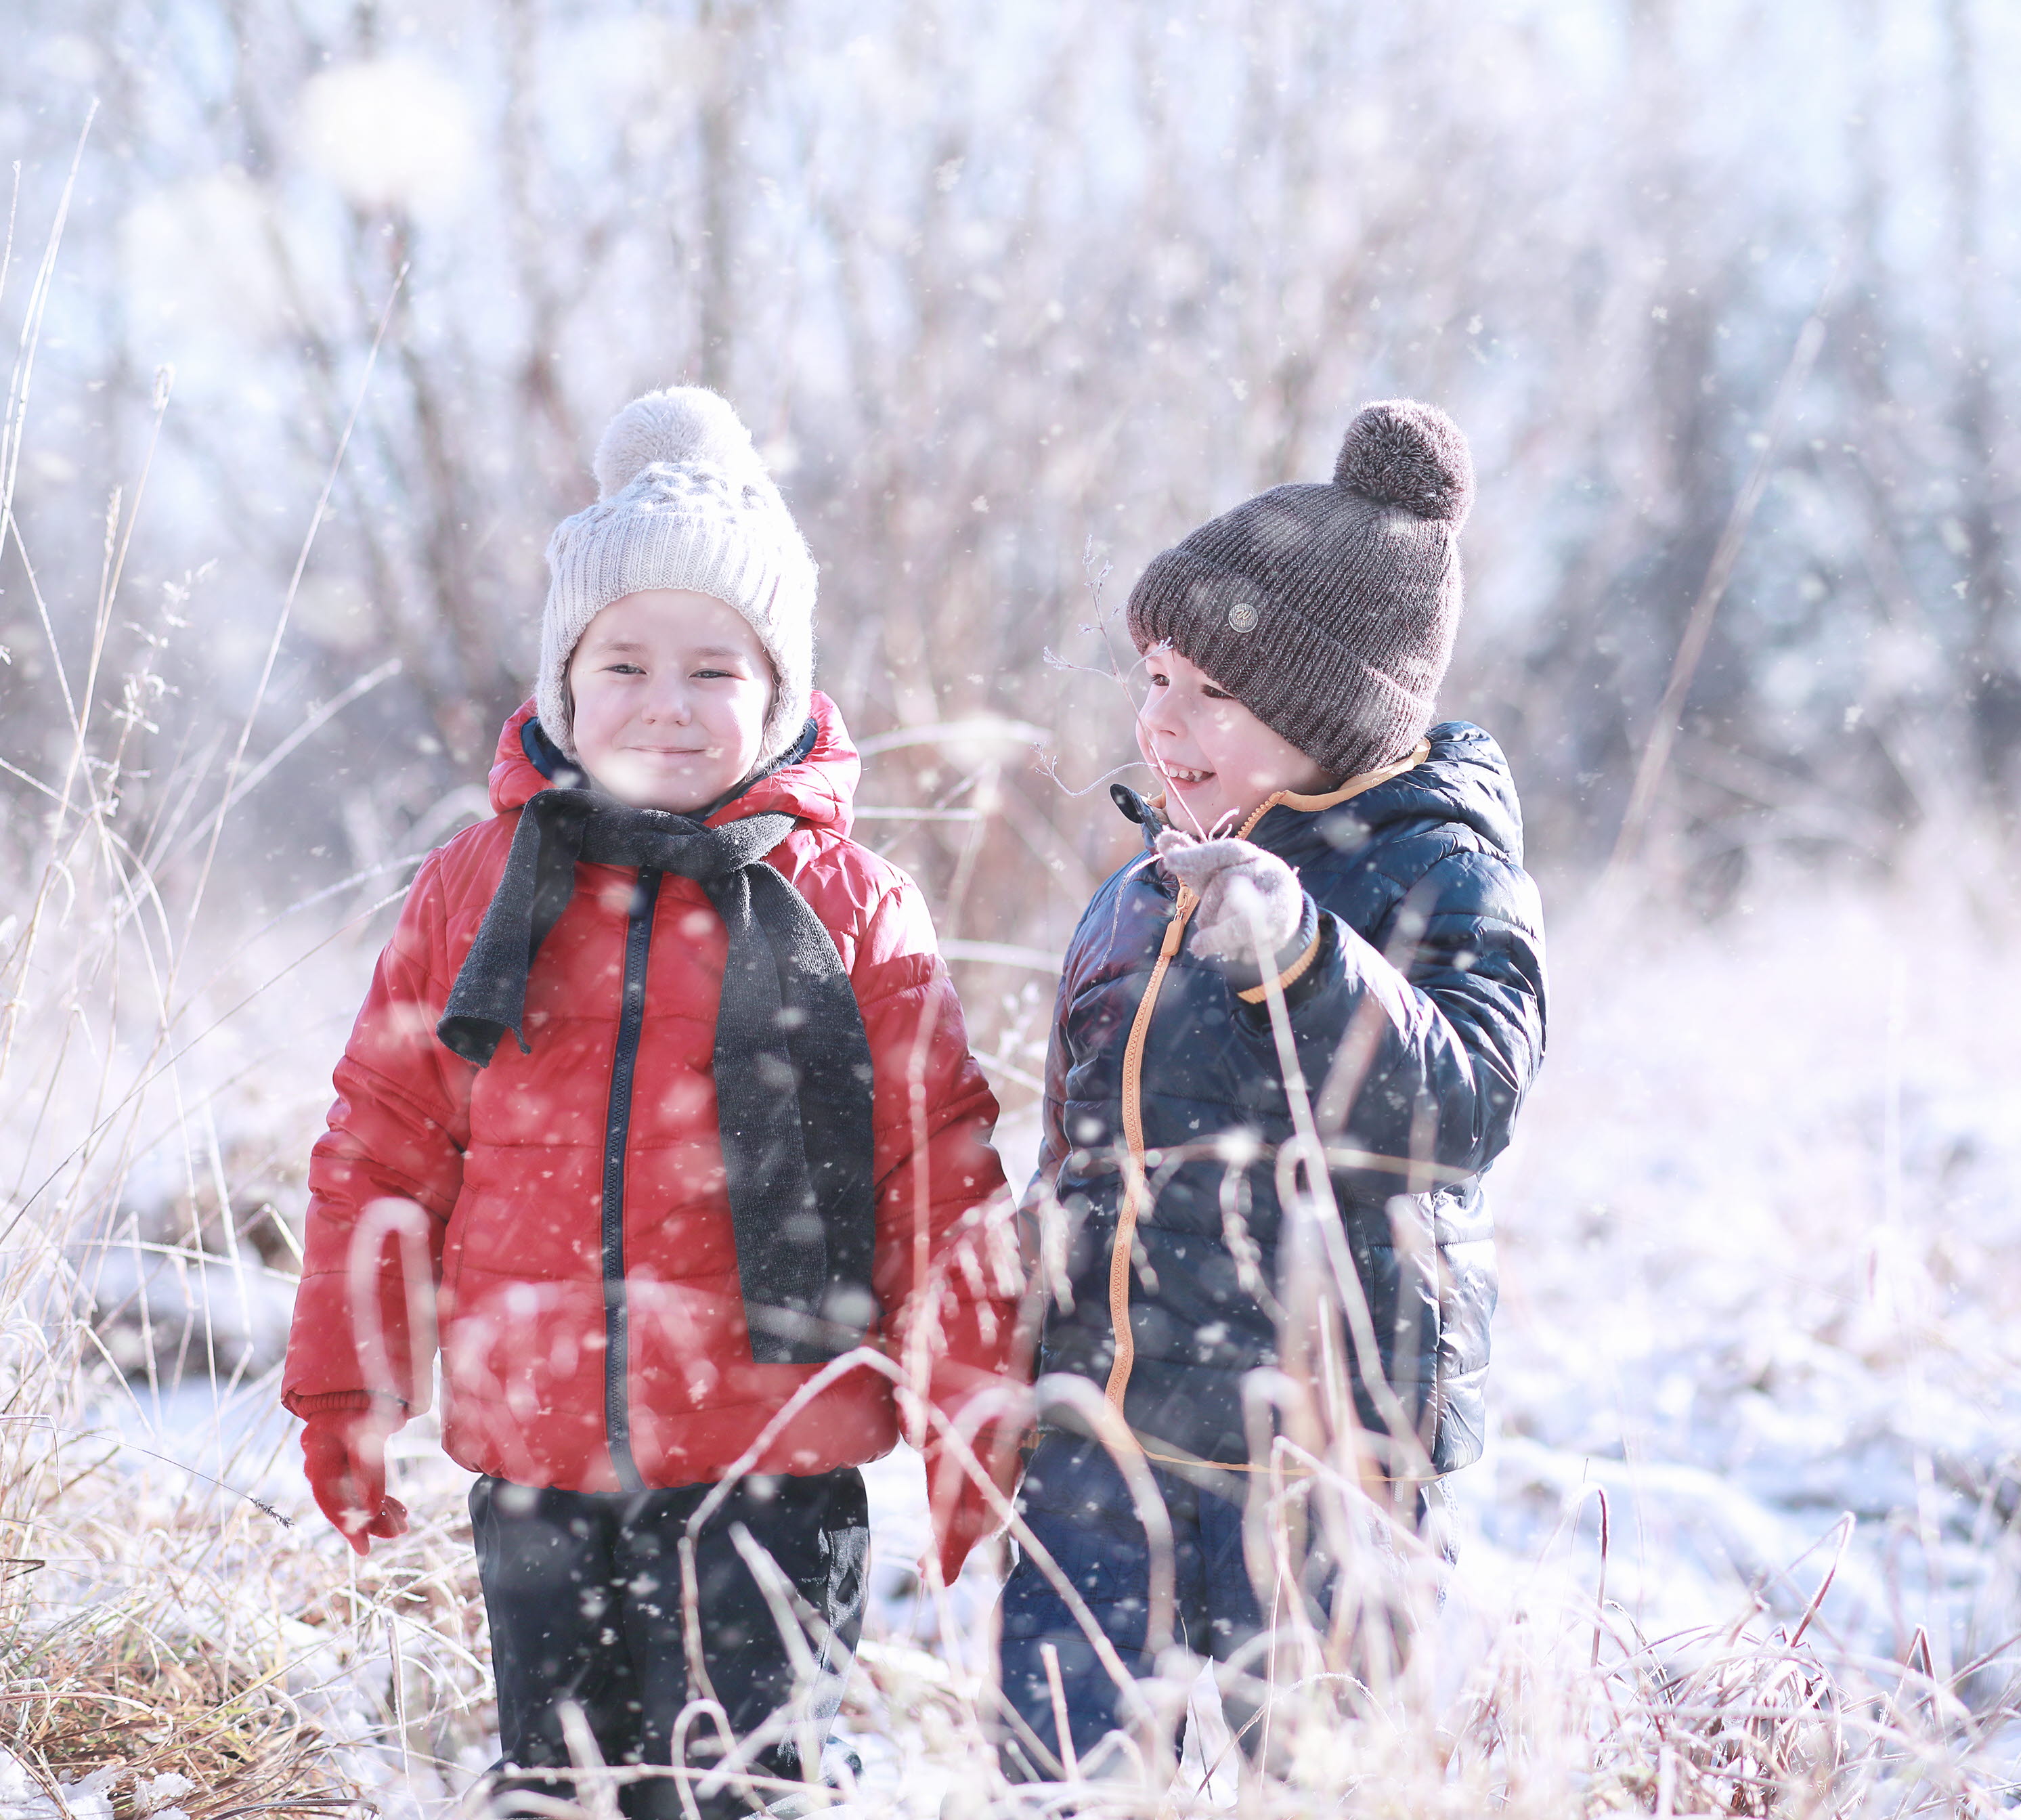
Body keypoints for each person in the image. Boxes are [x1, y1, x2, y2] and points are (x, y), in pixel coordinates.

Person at [281, 387, 1021, 1816]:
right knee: (558, 1785)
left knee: (750, 1786)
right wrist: (351, 1390)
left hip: (777, 1455)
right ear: (563, 685)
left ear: (783, 691)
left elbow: (937, 1178)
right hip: (536, 1458)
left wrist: (967, 1411)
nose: (666, 707)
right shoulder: (481, 891)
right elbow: (380, 1153)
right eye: (622, 664)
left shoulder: (852, 909)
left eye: (712, 670)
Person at [999, 399, 1546, 1776]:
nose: (1159, 722)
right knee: (1060, 1764)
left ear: (1328, 713)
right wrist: (1023, 1268)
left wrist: (1301, 957)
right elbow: (1090, 1132)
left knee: (1296, 1770)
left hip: (1315, 1467)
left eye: (1212, 696)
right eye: (1153, 676)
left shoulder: (1439, 875)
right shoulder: (1140, 890)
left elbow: (1464, 1103)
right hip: (1104, 1442)